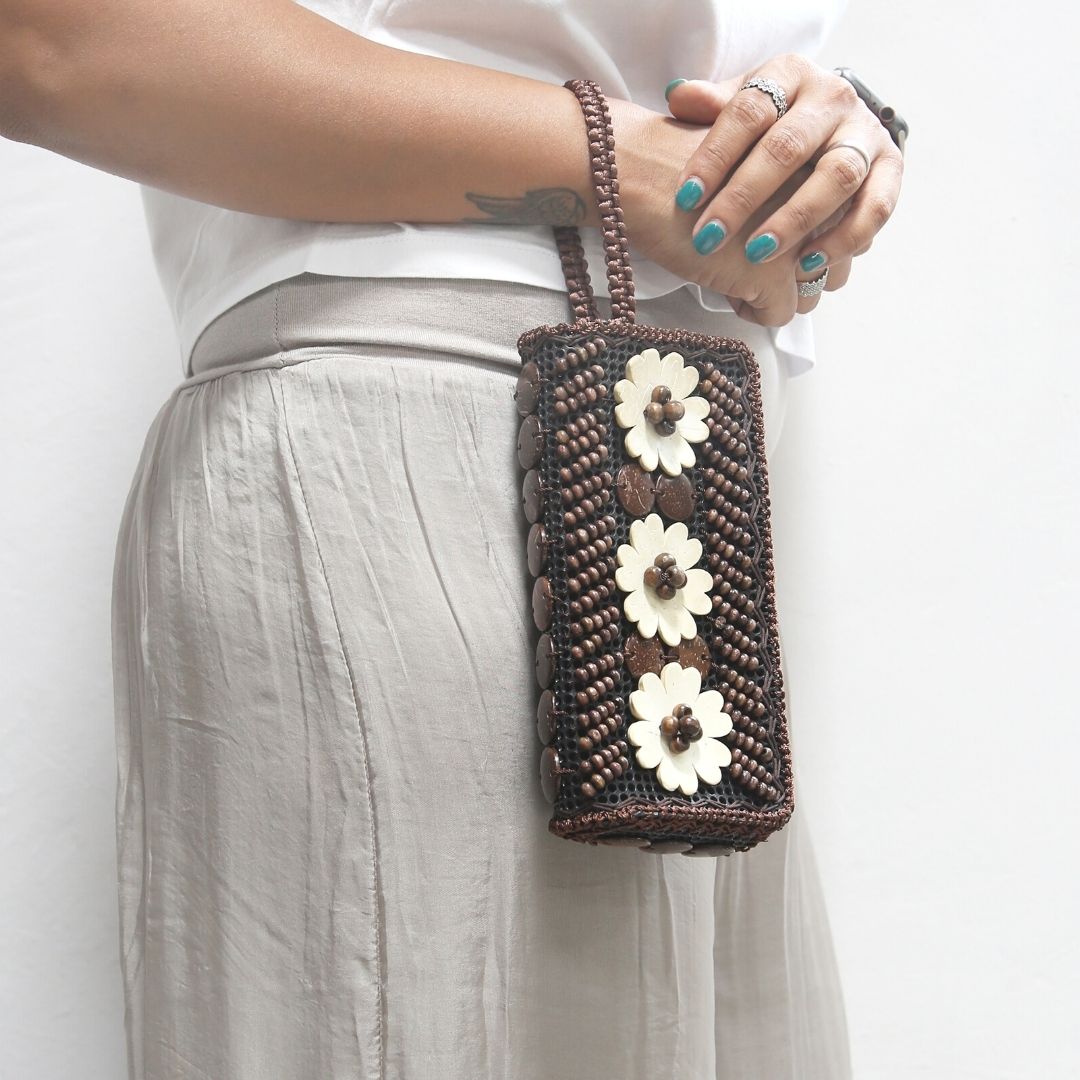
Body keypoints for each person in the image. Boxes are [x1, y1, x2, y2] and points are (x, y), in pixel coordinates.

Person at [2, 1, 904, 1076]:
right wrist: (622, 163)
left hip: (691, 542)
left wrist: (822, 147)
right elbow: (53, 40)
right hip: (406, 459)